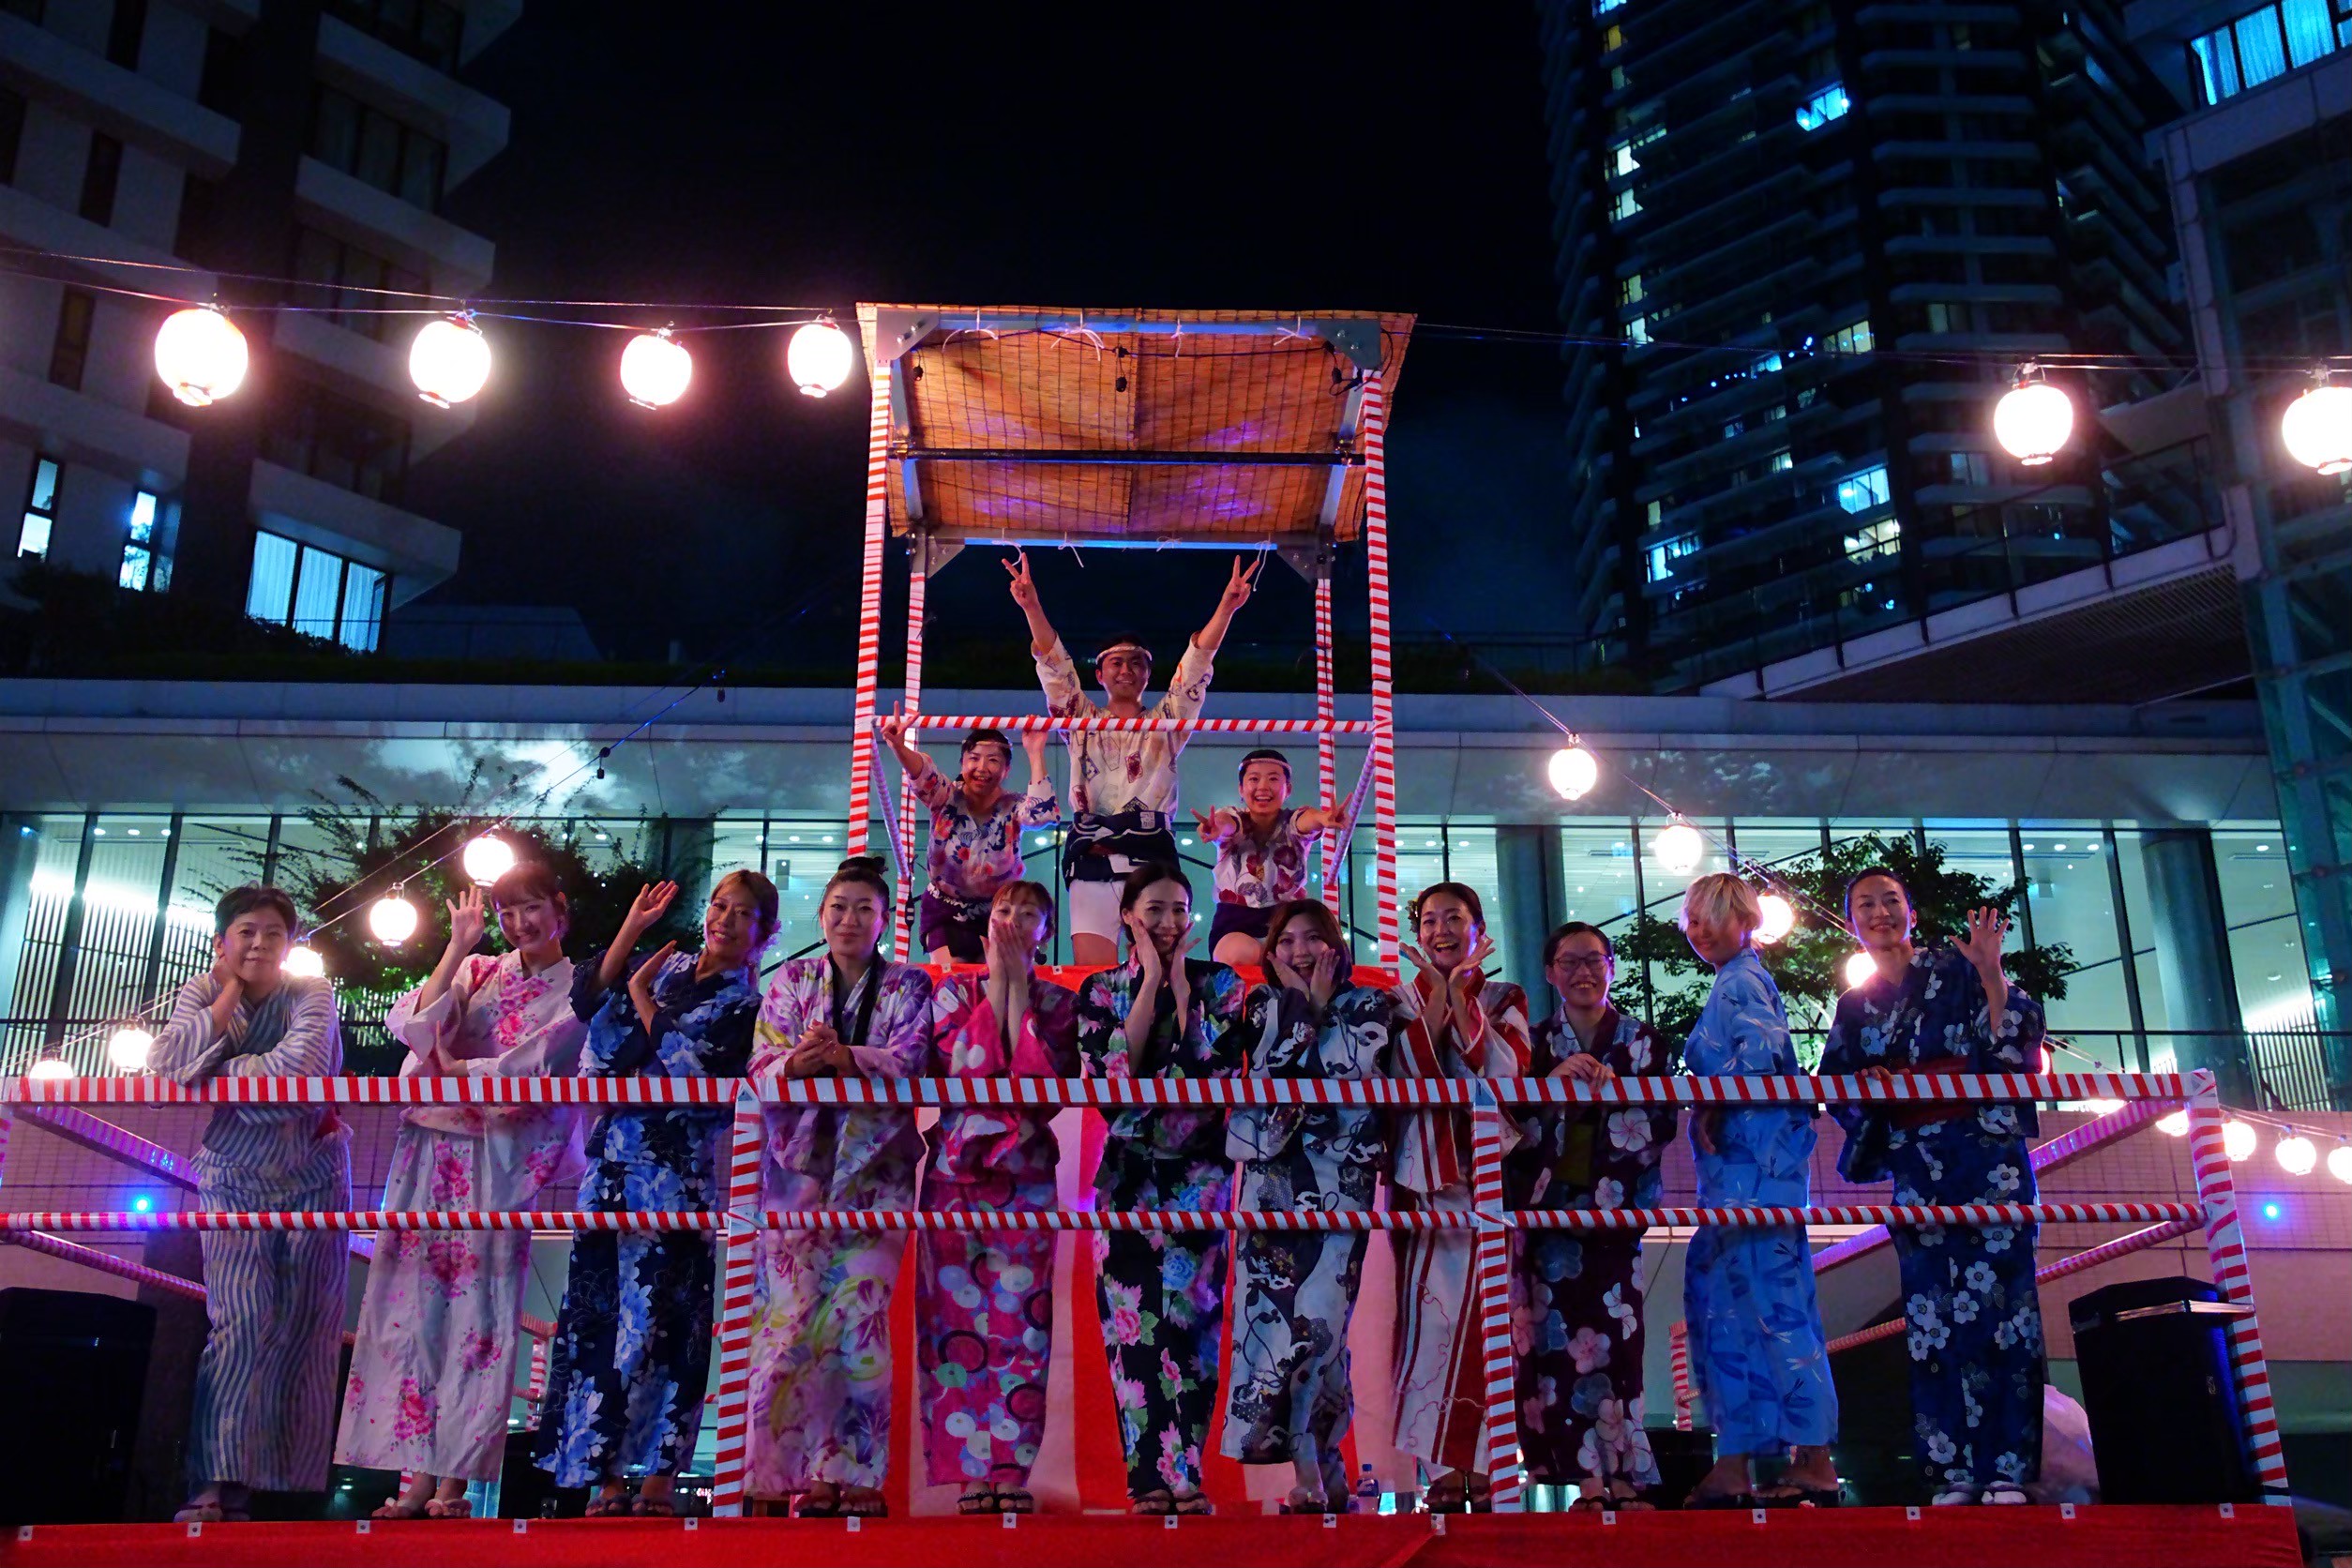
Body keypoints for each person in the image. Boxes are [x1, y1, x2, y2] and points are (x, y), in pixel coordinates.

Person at [339, 867, 588, 1517]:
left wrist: (461, 1070)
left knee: (480, 1316)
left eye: (531, 907)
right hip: (430, 1146)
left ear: (559, 908)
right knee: (410, 1309)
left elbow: (539, 1065)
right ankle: (413, 1479)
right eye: (507, 912)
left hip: (498, 1161)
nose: (520, 923)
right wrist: (456, 946)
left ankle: (453, 1483)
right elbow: (415, 1027)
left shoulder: (578, 989)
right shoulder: (477, 970)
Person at [535, 871, 776, 1517]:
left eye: (743, 914)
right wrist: (634, 932)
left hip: (677, 1176)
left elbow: (696, 1074)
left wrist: (643, 1001)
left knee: (669, 1327)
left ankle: (658, 1483)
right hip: (612, 1168)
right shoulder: (664, 966)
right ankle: (605, 1479)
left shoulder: (746, 1006)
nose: (724, 920)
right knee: (599, 1322)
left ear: (764, 933)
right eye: (719, 906)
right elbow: (590, 1008)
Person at [1821, 868, 2048, 1506]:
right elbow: (1839, 1086)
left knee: (2004, 1311)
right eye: (1866, 905)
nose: (1880, 912)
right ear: (1853, 923)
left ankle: (2007, 1469)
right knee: (1930, 1317)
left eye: (1891, 900)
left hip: (1986, 1157)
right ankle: (1953, 1472)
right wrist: (1871, 1086)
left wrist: (1992, 972)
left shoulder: (1958, 968)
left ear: (1911, 913)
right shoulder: (1855, 1005)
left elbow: (2016, 1045)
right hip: (1918, 1166)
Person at [151, 884, 351, 1524]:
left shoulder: (312, 992)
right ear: (222, 942)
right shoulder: (199, 992)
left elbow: (300, 1076)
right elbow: (165, 1067)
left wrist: (217, 1076)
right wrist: (227, 997)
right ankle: (211, 1481)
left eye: (273, 933)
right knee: (237, 1324)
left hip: (314, 1172)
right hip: (232, 1174)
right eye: (246, 932)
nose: (260, 943)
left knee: (303, 1329)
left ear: (290, 944)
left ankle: (265, 1489)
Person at [746, 857, 934, 1518]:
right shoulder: (791, 981)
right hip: (794, 1172)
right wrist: (801, 1062)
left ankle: (851, 1474)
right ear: (821, 915)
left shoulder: (909, 984)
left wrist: (846, 1057)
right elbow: (761, 1062)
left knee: (861, 1321)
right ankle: (777, 1476)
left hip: (876, 1172)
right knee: (789, 1321)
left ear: (884, 921)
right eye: (838, 907)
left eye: (864, 909)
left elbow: (912, 1058)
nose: (849, 919)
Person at [1075, 862, 1247, 1514]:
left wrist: (1181, 992)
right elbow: (1114, 1083)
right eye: (1154, 909)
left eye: (1179, 909)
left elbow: (1211, 1072)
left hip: (1199, 1177)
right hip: (1125, 1177)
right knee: (1133, 1331)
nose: (1169, 922)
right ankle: (1147, 1479)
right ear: (1128, 916)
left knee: (1192, 1327)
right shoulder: (1100, 989)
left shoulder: (1221, 983)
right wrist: (1150, 985)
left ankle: (1188, 1475)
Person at [1005, 548, 1260, 965]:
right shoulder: (1080, 719)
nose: (1126, 670)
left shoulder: (1168, 723)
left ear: (1147, 673)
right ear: (1100, 674)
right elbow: (1054, 668)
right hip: (1093, 859)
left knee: (1158, 973)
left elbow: (1196, 667)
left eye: (1136, 663)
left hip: (1152, 860)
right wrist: (1031, 606)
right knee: (1095, 976)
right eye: (1116, 663)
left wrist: (1227, 607)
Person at [1222, 898, 1394, 1515]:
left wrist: (1319, 1010)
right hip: (1272, 1179)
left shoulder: (1373, 1004)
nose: (1300, 951)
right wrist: (1306, 1008)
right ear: (1271, 953)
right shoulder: (1260, 1005)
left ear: (1335, 946)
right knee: (1274, 1330)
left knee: (1322, 1325)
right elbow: (1273, 1074)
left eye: (1312, 937)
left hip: (1340, 1178)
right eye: (1287, 940)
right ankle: (1319, 1469)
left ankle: (1316, 1465)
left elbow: (1351, 1076)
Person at [1676, 872, 1839, 1508]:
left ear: (1745, 921)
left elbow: (1764, 1055)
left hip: (1752, 1179)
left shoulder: (1740, 981)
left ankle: (1806, 1456)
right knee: (1748, 1311)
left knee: (1769, 1312)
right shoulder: (1738, 979)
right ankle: (1750, 1457)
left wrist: (1717, 1102)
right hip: (1747, 1178)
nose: (1699, 929)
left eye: (1712, 916)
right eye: (1693, 918)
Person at [917, 880, 1078, 1515]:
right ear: (986, 922)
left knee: (1023, 1324)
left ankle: (1010, 1469)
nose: (1014, 921)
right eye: (1005, 910)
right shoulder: (950, 993)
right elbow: (965, 1071)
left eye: (1029, 914)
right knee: (951, 1327)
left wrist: (1014, 989)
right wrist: (999, 988)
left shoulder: (1060, 1003)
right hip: (955, 1173)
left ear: (1047, 930)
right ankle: (969, 1472)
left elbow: (1039, 1085)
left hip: (1027, 1172)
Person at [1508, 921, 1680, 1509]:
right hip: (1548, 1216)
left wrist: (1614, 1096)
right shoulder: (1530, 1044)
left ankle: (1625, 1474)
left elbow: (1660, 1125)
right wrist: (1550, 1089)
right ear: (1550, 973)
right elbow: (1510, 1127)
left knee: (1619, 1343)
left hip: (1612, 1216)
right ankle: (1583, 1480)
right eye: (1569, 962)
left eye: (1594, 960)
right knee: (1555, 1346)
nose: (1583, 972)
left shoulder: (1644, 1043)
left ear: (1612, 968)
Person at [1388, 881, 1531, 1513]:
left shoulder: (1506, 996)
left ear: (1478, 929)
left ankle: (1492, 1465)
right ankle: (1444, 1471)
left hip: (1490, 1179)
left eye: (1454, 918)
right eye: (1429, 920)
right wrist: (1440, 995)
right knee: (1428, 1327)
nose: (1440, 930)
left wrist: (1457, 996)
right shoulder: (1396, 999)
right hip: (1425, 1180)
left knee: (1491, 1321)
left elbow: (1504, 1071)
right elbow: (1407, 1069)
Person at [876, 714, 1060, 964]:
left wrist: (1035, 751)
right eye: (974, 758)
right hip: (945, 909)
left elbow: (1043, 814)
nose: (982, 768)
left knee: (995, 981)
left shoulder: (1013, 805)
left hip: (999, 911)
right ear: (962, 764)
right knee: (952, 981)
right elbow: (924, 774)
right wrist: (899, 747)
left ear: (1006, 770)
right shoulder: (945, 796)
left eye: (993, 760)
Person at [1196, 748, 1338, 967]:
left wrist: (1323, 818)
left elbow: (1306, 820)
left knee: (1320, 953)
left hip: (1289, 922)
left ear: (1288, 788)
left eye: (1273, 779)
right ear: (1241, 789)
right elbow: (1227, 823)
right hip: (1235, 921)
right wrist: (1214, 827)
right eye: (1254, 779)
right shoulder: (1235, 818)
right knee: (1237, 955)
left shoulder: (1293, 821)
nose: (1263, 787)